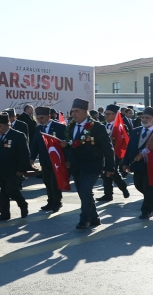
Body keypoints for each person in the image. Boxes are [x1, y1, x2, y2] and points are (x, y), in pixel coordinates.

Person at [63, 98, 115, 228]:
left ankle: (84, 219)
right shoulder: (71, 126)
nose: (74, 114)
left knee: (86, 190)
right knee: (83, 193)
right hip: (77, 166)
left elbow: (107, 148)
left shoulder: (97, 127)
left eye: (77, 111)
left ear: (85, 111)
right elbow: (73, 145)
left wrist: (110, 166)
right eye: (72, 111)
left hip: (92, 166)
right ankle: (94, 217)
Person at [122, 107, 153, 219]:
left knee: (149, 187)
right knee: (138, 185)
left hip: (152, 165)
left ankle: (146, 210)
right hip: (137, 164)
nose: (144, 119)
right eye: (143, 117)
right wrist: (125, 163)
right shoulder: (136, 130)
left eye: (147, 118)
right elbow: (129, 147)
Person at [0, 112, 30, 222]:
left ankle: (22, 204)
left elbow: (24, 154)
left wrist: (21, 169)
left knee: (11, 190)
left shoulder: (18, 135)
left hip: (13, 170)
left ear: (8, 124)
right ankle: (4, 213)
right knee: (0, 193)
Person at [30, 106, 67, 212]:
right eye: (37, 118)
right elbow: (35, 144)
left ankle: (57, 202)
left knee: (54, 182)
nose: (39, 120)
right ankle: (50, 202)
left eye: (42, 118)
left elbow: (65, 144)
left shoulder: (60, 127)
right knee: (47, 181)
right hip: (44, 160)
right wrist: (32, 158)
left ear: (48, 116)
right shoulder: (38, 129)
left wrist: (67, 160)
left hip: (57, 161)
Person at [98, 104, 130, 201]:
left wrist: (114, 140)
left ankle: (123, 188)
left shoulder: (121, 126)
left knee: (112, 171)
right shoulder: (102, 125)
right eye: (105, 113)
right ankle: (108, 194)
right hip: (104, 153)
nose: (106, 116)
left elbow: (125, 140)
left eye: (109, 114)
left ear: (116, 115)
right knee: (105, 173)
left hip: (115, 153)